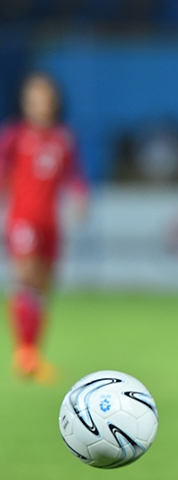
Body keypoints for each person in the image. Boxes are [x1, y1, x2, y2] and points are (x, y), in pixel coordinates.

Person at [0, 72, 88, 383]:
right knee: (25, 277)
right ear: (24, 102)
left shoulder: (63, 138)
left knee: (42, 287)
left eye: (44, 98)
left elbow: (74, 174)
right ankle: (23, 353)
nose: (39, 104)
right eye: (33, 98)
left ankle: (32, 353)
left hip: (50, 223)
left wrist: (80, 195)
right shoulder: (13, 136)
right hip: (21, 220)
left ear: (54, 101)